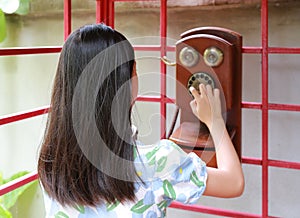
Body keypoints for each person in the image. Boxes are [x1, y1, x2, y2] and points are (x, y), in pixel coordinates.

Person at [38, 23, 244, 218]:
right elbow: (234, 182)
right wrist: (215, 120)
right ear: (130, 77)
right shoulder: (158, 161)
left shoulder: (52, 160)